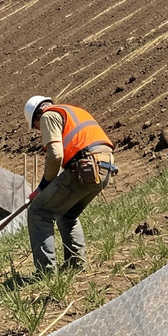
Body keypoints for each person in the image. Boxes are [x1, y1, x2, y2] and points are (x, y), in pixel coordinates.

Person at [23, 95, 116, 273]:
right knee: (66, 214)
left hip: (86, 168)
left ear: (37, 116)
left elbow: (55, 155)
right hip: (104, 167)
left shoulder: (48, 116)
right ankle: (77, 265)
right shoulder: (72, 111)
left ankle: (46, 272)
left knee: (39, 212)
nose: (39, 130)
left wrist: (43, 187)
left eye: (36, 128)